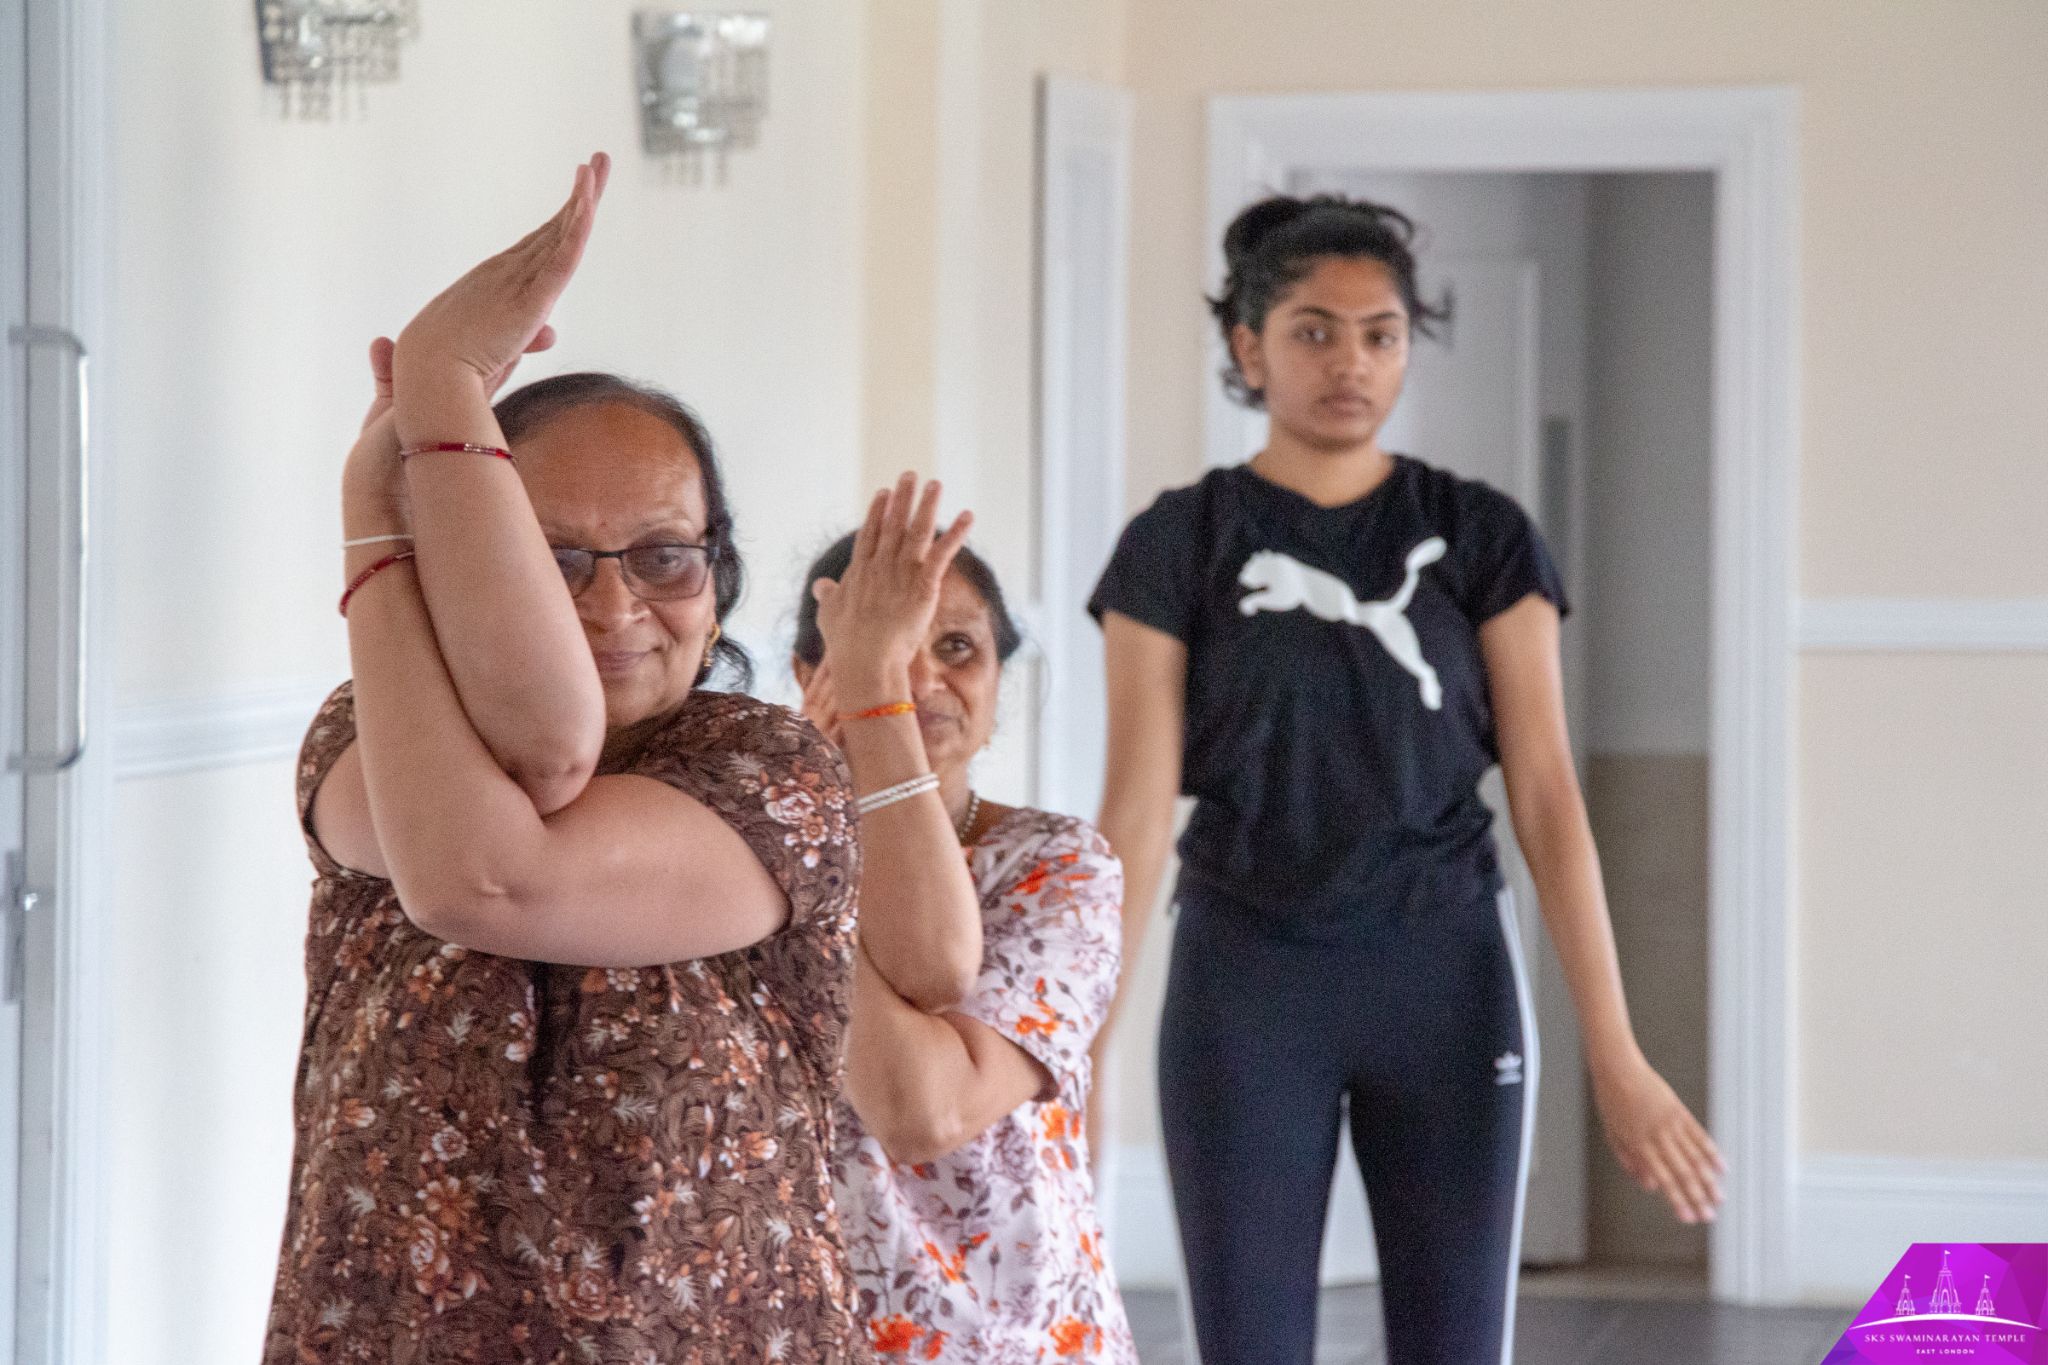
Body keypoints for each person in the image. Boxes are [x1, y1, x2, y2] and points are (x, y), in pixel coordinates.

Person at [1088, 193, 1727, 1365]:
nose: (1350, 362)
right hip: (1244, 985)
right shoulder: (1177, 542)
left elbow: (1543, 795)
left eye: (1379, 333)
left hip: (1441, 979)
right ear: (1248, 348)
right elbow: (1130, 809)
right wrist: (1076, 1048)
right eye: (1313, 330)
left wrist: (1616, 1052)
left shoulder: (1477, 534)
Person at [267, 154, 872, 1363]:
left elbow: (496, 879)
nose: (613, 608)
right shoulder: (363, 727)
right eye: (548, 559)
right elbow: (526, 785)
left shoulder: (773, 775)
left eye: (663, 555)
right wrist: (380, 508)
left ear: (720, 578)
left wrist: (437, 396)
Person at [791, 480, 1136, 1364]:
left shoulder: (1058, 866)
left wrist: (802, 880)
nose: (922, 679)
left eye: (956, 647)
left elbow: (926, 1108)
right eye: (886, 650)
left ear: (996, 680)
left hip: (1014, 1328)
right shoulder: (745, 849)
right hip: (809, 1324)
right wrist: (797, 839)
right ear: (808, 677)